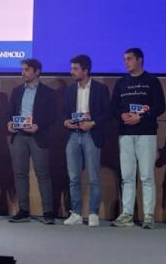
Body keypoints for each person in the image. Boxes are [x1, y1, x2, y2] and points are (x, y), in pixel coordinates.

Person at [111, 47, 165, 228]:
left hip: (146, 133)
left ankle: (148, 216)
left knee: (147, 176)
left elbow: (160, 107)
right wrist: (121, 115)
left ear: (139, 60)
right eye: (124, 59)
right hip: (125, 134)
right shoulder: (121, 82)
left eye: (129, 59)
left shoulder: (152, 81)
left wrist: (141, 117)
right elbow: (114, 107)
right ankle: (127, 214)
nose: (126, 62)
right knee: (127, 176)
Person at [7, 58, 56, 224]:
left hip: (38, 135)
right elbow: (10, 113)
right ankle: (23, 210)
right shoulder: (17, 91)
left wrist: (38, 125)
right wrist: (9, 123)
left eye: (27, 70)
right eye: (22, 70)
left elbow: (52, 116)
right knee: (20, 173)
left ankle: (48, 212)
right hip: (19, 135)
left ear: (37, 71)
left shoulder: (48, 92)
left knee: (43, 174)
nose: (23, 73)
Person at [62, 54, 110, 227]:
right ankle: (75, 213)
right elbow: (64, 113)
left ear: (86, 70)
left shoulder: (100, 89)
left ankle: (93, 213)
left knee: (94, 177)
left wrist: (93, 123)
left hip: (91, 134)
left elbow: (108, 113)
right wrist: (66, 122)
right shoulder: (69, 90)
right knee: (73, 177)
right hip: (73, 135)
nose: (71, 72)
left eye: (75, 69)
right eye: (71, 68)